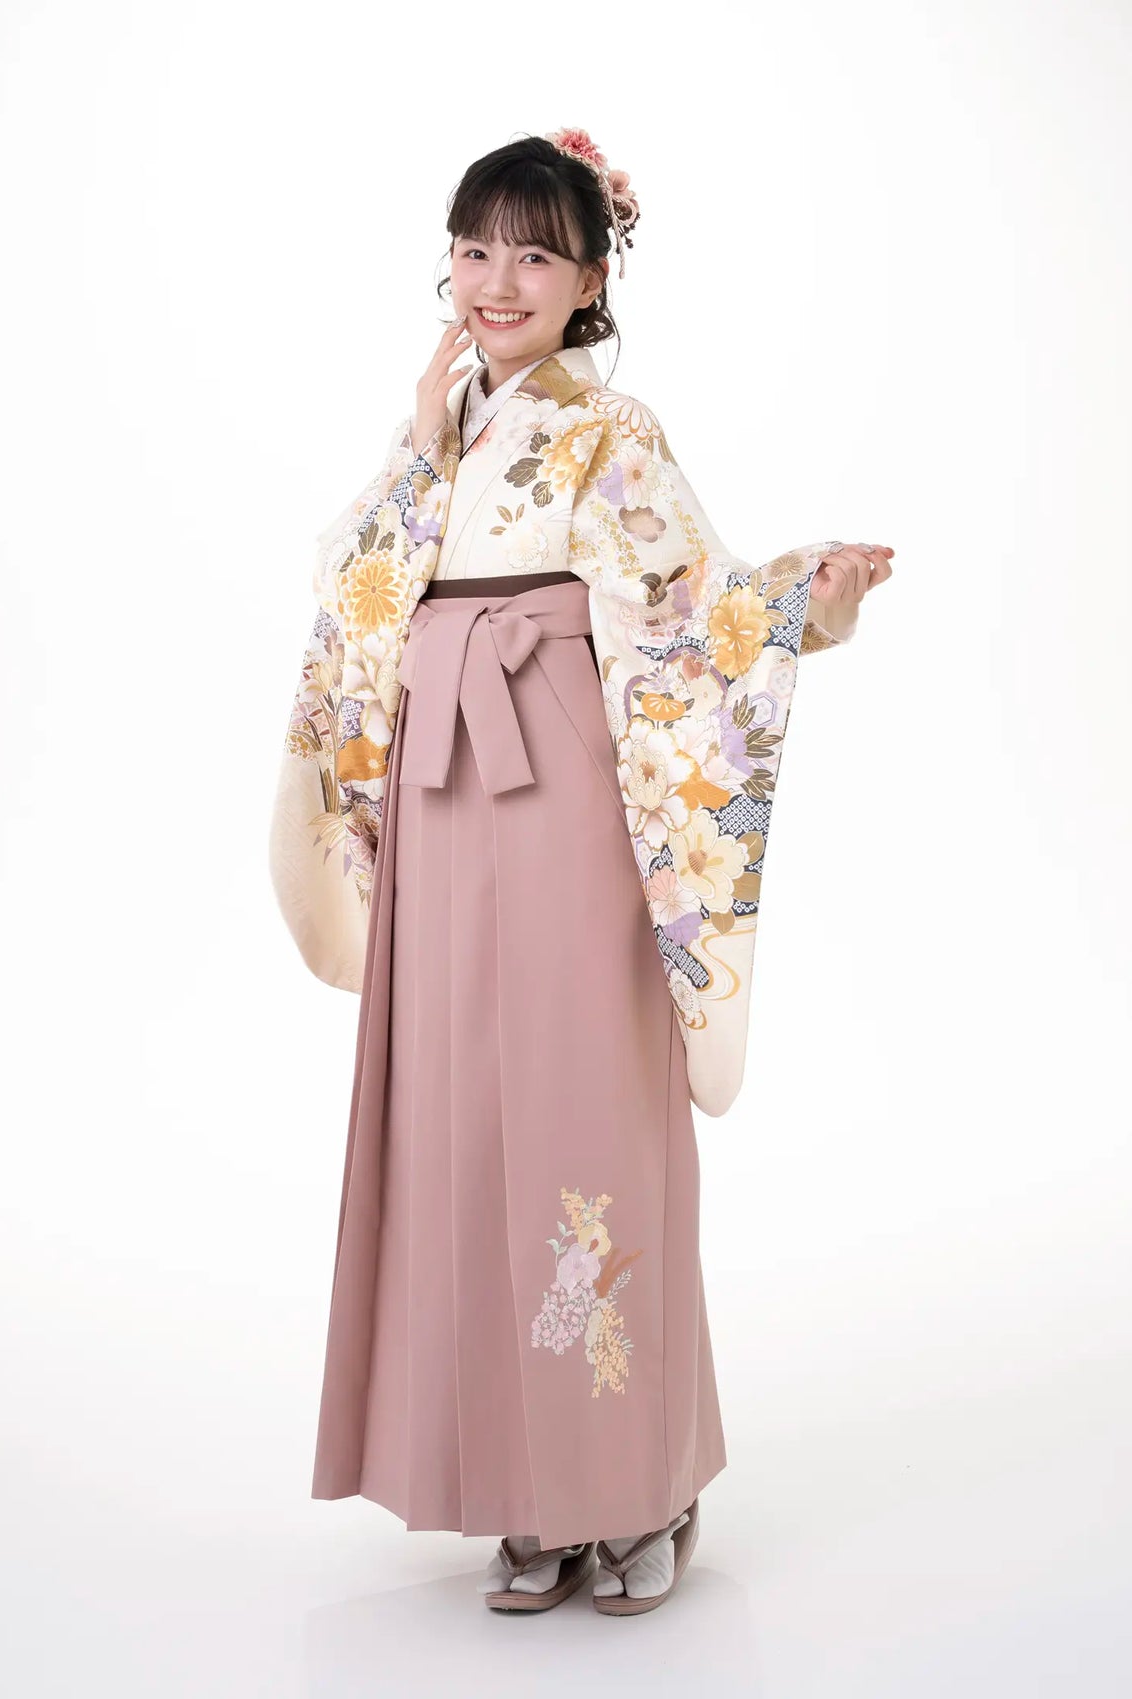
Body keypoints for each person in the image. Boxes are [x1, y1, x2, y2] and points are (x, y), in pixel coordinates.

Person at [268, 127, 892, 1617]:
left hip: (562, 775)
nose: (498, 281)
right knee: (465, 1121)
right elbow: (350, 583)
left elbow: (690, 617)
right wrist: (421, 438)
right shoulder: (447, 424)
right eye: (475, 249)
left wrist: (804, 600)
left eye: (535, 255)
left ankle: (642, 1485)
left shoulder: (611, 432)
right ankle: (526, 1496)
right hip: (443, 787)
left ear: (592, 280)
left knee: (585, 1110)